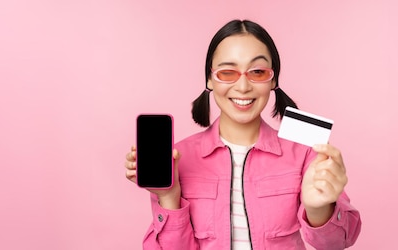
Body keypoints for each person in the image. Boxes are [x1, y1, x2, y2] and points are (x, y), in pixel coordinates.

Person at [124, 19, 361, 249]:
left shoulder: (305, 151)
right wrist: (168, 196)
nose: (243, 86)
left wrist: (319, 209)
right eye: (227, 72)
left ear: (273, 79)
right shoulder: (176, 158)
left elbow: (338, 243)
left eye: (257, 72)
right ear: (210, 78)